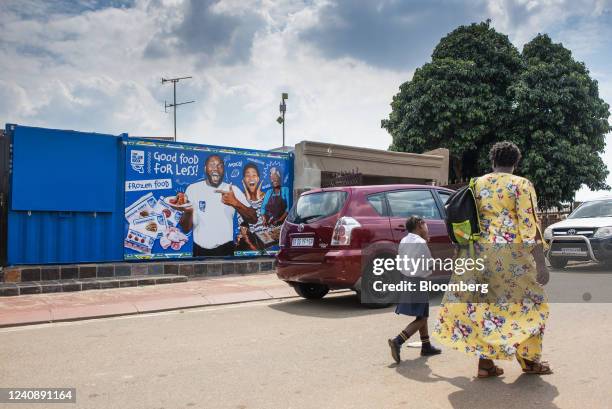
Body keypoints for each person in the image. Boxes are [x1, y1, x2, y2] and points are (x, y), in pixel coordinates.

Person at [433, 141, 552, 378]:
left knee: (485, 308)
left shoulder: (476, 184)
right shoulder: (521, 184)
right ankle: (529, 361)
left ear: (493, 162)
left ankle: (485, 364)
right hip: (510, 254)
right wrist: (540, 260)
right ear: (516, 163)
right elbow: (529, 224)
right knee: (532, 304)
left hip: (477, 251)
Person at [388, 216, 442, 364]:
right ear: (420, 225)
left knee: (421, 314)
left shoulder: (404, 240)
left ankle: (426, 345)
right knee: (422, 317)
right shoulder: (420, 242)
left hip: (407, 280)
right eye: (425, 225)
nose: (427, 228)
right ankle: (398, 341)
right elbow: (429, 265)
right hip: (418, 282)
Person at [180, 154, 257, 257]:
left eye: (220, 166)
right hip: (198, 251)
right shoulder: (192, 189)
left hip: (226, 251)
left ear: (224, 170)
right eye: (212, 165)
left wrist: (235, 202)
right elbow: (185, 229)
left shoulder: (232, 189)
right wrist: (188, 211)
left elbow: (254, 218)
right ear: (205, 168)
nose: (216, 169)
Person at [239, 163, 266, 234]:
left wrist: (258, 198)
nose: (251, 178)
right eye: (248, 176)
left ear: (258, 179)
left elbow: (266, 222)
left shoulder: (266, 196)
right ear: (244, 179)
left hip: (267, 240)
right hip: (251, 242)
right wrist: (247, 200)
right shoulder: (240, 199)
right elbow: (244, 225)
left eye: (254, 175)